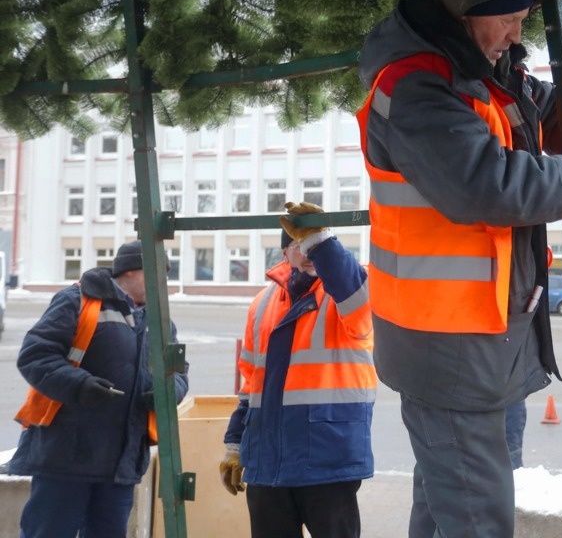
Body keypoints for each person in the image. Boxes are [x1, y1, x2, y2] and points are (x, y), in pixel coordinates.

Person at [355, 0, 562, 537]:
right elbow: (484, 187)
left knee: (447, 502)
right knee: (476, 514)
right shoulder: (415, 85)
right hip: (447, 341)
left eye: (522, 20)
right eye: (508, 21)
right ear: (466, 16)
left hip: (473, 335)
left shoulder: (482, 67)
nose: (518, 35)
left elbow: (543, 106)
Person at [9, 240, 189, 538]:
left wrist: (169, 391)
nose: (163, 283)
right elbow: (35, 356)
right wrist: (81, 385)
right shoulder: (77, 301)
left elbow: (178, 370)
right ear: (132, 271)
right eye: (158, 273)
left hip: (122, 463)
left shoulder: (159, 321)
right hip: (67, 458)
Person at [219, 201, 375, 538]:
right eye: (296, 244)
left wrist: (321, 241)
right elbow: (251, 384)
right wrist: (235, 444)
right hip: (267, 463)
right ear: (284, 252)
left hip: (326, 460)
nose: (305, 252)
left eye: (312, 243)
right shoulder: (261, 304)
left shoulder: (349, 290)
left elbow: (354, 292)